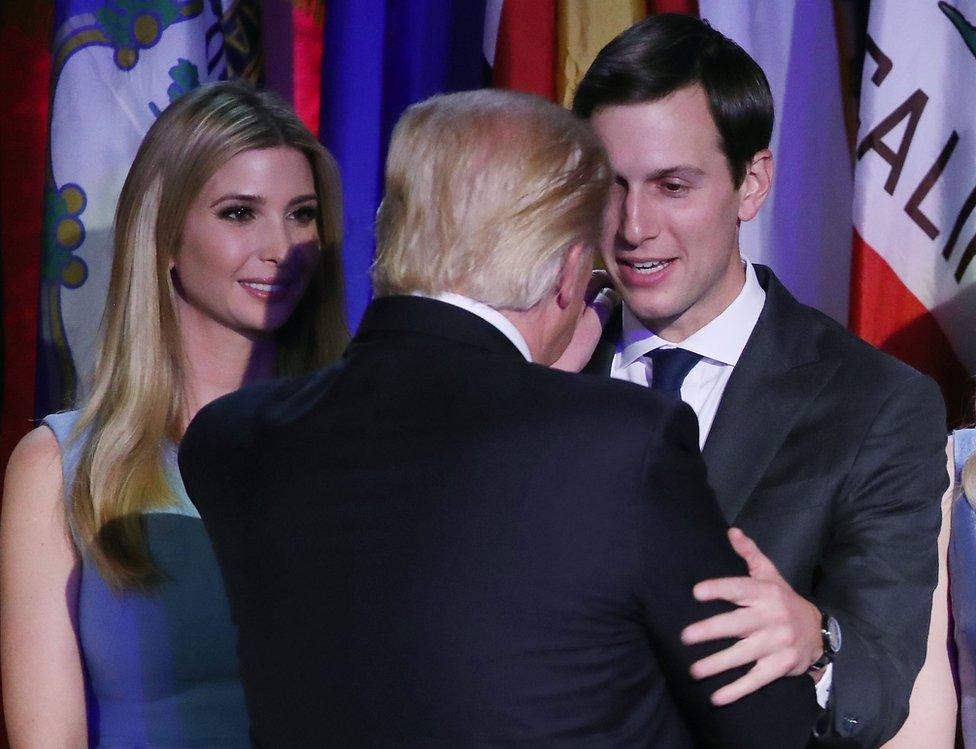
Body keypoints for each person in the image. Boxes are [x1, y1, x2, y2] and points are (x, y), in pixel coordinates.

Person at [178, 88, 820, 747]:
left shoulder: (230, 444)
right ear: (570, 273)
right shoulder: (623, 441)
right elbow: (767, 725)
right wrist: (813, 645)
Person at [571, 13, 949, 747]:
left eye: (672, 185)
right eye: (609, 186)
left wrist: (815, 641)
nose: (634, 225)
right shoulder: (536, 365)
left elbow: (878, 682)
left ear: (752, 183)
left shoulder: (875, 403)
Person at [0, 80, 347, 747]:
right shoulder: (60, 466)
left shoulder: (361, 442)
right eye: (241, 213)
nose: (282, 245)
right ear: (164, 237)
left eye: (302, 214)